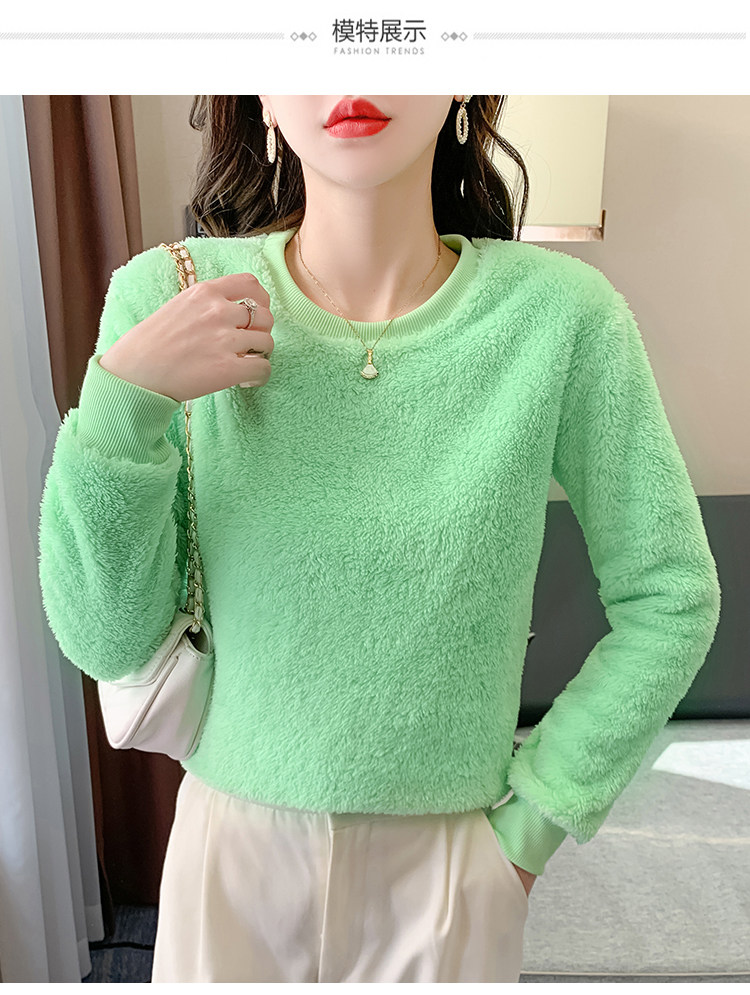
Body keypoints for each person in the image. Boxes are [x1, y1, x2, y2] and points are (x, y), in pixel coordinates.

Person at [37, 95, 721, 983]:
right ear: (263, 94)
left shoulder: (563, 318)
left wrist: (532, 827)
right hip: (231, 865)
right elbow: (106, 639)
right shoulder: (171, 295)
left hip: (450, 873)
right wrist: (122, 403)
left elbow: (672, 595)